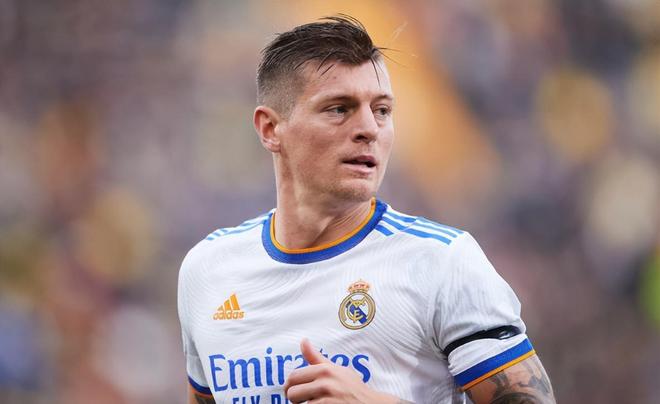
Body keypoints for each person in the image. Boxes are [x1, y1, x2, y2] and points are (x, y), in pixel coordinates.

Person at [178, 15, 556, 404]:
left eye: (382, 110)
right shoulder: (207, 271)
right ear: (271, 129)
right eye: (339, 109)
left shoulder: (442, 262)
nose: (369, 129)